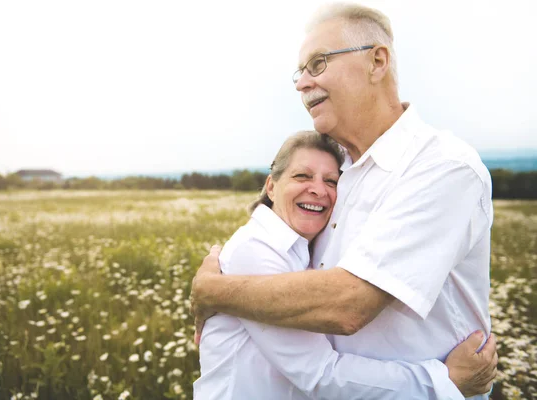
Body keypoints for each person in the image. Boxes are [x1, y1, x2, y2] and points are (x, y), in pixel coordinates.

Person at [190, 3, 497, 399]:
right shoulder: (340, 174)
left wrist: (214, 291)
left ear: (377, 61)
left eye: (317, 64)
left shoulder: (443, 166)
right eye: (299, 73)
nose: (302, 83)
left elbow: (347, 304)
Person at [194, 131, 496, 400]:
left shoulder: (305, 248)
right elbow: (320, 374)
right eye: (302, 176)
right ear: (271, 187)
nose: (318, 189)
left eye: (331, 181)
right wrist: (443, 382)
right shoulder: (255, 250)